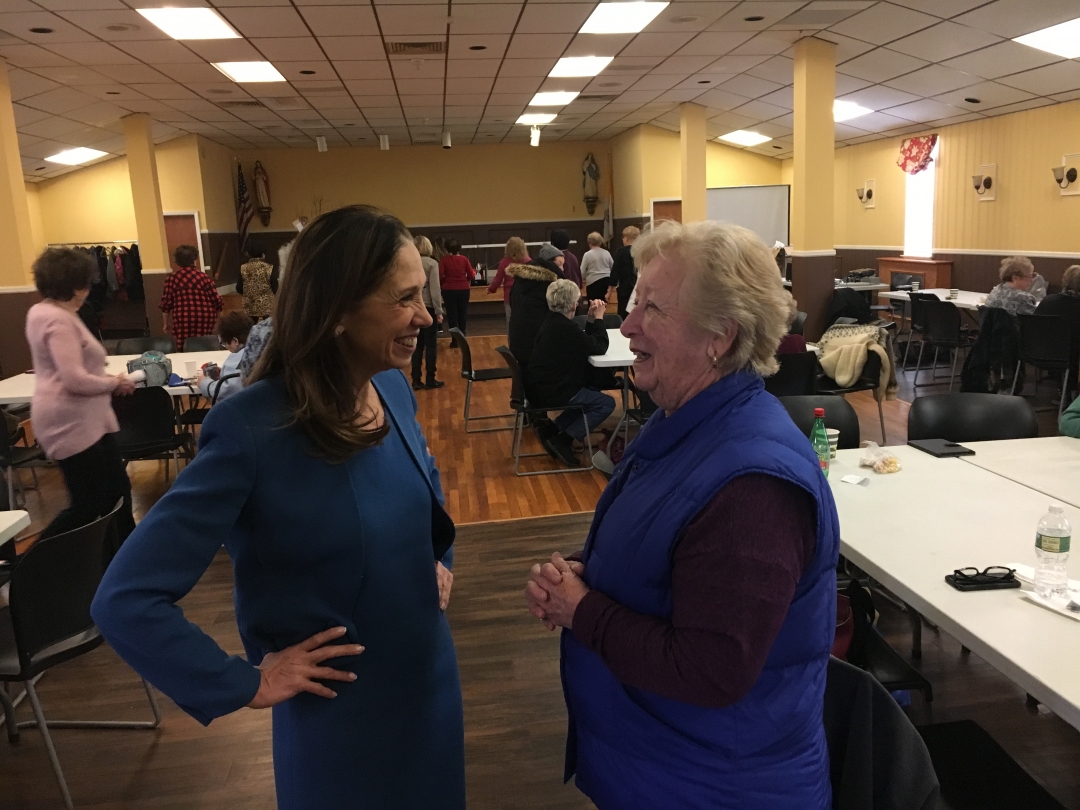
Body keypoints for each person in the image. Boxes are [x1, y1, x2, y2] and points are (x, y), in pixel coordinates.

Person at [91, 206, 464, 810]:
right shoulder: (252, 427)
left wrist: (439, 556)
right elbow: (125, 599)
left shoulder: (391, 388)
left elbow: (426, 486)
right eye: (404, 299)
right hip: (341, 719)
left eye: (422, 296)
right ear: (338, 310)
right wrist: (247, 682)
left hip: (430, 688)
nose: (426, 316)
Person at [524, 220, 840, 809]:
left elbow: (712, 670)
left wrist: (582, 609)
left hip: (716, 788)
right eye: (633, 300)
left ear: (720, 336)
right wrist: (584, 574)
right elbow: (669, 560)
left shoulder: (753, 487)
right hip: (666, 766)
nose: (628, 323)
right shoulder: (685, 424)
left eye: (653, 308)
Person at [25, 248, 137, 543]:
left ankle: (127, 557)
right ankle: (35, 562)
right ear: (76, 285)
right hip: (71, 422)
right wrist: (113, 382)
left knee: (117, 494)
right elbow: (73, 378)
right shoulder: (58, 320)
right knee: (91, 504)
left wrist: (108, 382)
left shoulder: (44, 311)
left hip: (84, 419)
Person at [526, 280, 614, 466]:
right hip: (555, 391)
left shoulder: (554, 323)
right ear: (575, 304)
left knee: (591, 395)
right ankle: (563, 439)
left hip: (543, 387)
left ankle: (552, 428)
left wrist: (590, 320)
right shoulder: (565, 328)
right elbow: (599, 347)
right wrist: (598, 319)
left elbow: (586, 344)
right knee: (605, 403)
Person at [507, 242, 565, 367]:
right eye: (559, 264)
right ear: (549, 263)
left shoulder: (520, 280)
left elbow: (512, 303)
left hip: (518, 345)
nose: (562, 269)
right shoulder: (548, 285)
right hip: (538, 347)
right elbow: (558, 315)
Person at [159, 244, 223, 352]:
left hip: (182, 319)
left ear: (177, 261)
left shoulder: (172, 279)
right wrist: (218, 319)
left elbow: (166, 304)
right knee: (205, 345)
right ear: (194, 259)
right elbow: (217, 301)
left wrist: (166, 323)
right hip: (205, 318)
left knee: (183, 346)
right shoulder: (204, 278)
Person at [1036, 264, 1080, 398]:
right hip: (1071, 356)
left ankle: (1063, 391)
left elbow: (1034, 324)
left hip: (1038, 352)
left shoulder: (1048, 301)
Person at [195, 311, 253, 403]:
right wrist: (224, 372)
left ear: (235, 341)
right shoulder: (256, 351)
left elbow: (226, 390)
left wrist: (204, 382)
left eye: (224, 343)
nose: (225, 347)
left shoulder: (238, 359)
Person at [413, 235, 445, 390]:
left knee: (416, 345)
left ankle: (416, 380)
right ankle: (430, 378)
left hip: (413, 308)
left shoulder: (409, 263)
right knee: (431, 345)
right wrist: (439, 311)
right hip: (429, 308)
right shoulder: (432, 264)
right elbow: (435, 290)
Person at [439, 237, 475, 343]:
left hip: (448, 290)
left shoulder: (444, 260)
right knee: (462, 313)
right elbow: (471, 275)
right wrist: (464, 280)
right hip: (463, 289)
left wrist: (445, 283)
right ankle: (463, 337)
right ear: (459, 248)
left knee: (452, 315)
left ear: (446, 248)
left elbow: (440, 276)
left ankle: (455, 340)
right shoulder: (464, 259)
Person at [488, 236, 529, 327]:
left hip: (509, 296)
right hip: (524, 295)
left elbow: (498, 279)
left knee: (511, 323)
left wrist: (491, 289)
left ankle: (511, 341)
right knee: (524, 322)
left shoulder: (504, 262)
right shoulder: (527, 261)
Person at [236, 243, 279, 321]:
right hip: (267, 304)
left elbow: (239, 288)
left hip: (249, 305)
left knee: (250, 328)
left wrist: (249, 294)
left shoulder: (243, 268)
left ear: (248, 254)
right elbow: (275, 287)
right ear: (263, 255)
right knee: (268, 328)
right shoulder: (269, 268)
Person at [610, 225, 640, 319]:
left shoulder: (621, 252)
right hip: (638, 288)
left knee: (623, 314)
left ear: (626, 238)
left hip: (624, 289)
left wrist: (609, 291)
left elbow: (615, 272)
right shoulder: (641, 251)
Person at [580, 232, 614, 303]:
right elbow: (612, 267)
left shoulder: (587, 255)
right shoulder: (606, 253)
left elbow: (582, 271)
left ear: (589, 242)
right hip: (606, 281)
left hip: (593, 283)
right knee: (604, 305)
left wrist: (583, 280)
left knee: (593, 305)